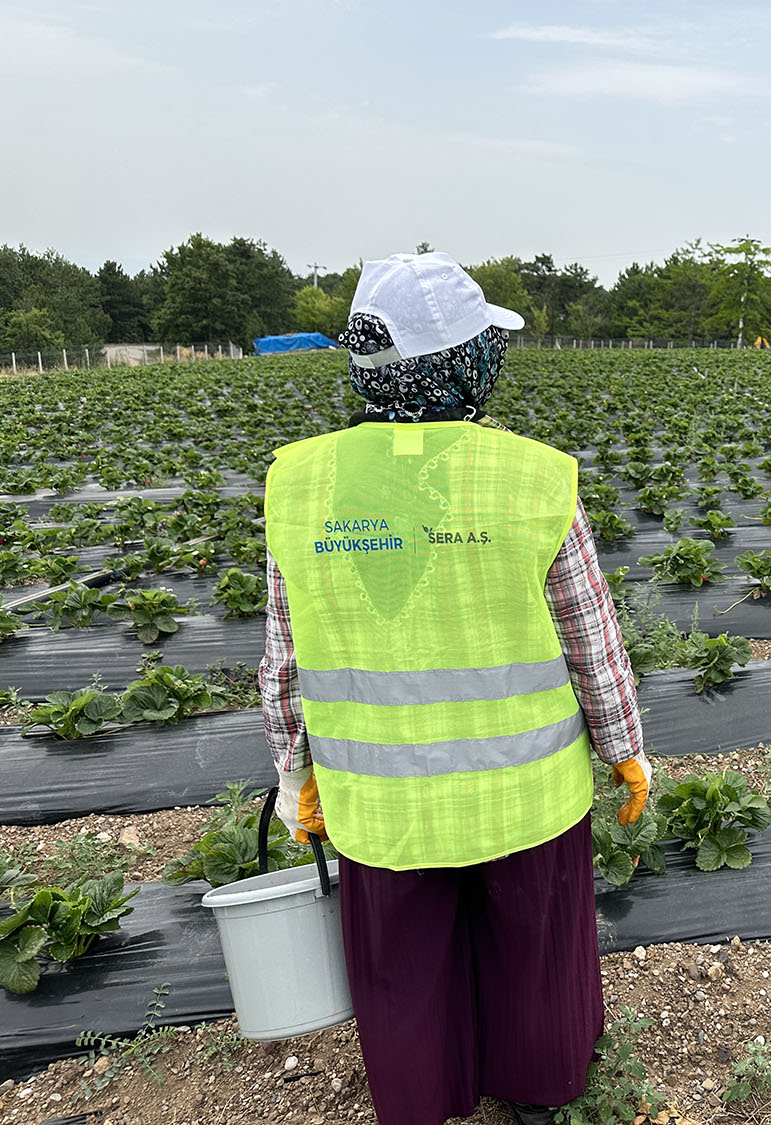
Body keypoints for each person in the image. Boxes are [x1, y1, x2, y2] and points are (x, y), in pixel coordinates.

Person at [258, 251, 650, 1125]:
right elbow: (590, 637)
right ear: (463, 361)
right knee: (532, 950)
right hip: (523, 795)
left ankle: (423, 1100)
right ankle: (538, 1093)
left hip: (379, 803)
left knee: (402, 964)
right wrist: (625, 750)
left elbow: (284, 656)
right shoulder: (534, 475)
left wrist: (295, 772)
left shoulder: (299, 482)